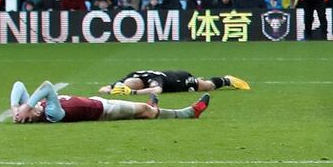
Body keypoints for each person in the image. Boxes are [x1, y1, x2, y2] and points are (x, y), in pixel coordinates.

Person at [11, 81, 209, 124]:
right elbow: (46, 86)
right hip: (103, 111)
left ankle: (153, 107)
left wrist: (15, 108)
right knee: (145, 110)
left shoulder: (37, 108)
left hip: (98, 102)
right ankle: (189, 113)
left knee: (145, 109)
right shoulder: (52, 114)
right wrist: (26, 106)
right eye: (23, 111)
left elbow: (19, 85)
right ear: (33, 113)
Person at [99, 71, 250, 95]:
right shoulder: (131, 76)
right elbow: (103, 88)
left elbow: (156, 90)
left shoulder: (152, 79)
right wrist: (110, 90)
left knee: (207, 87)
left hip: (180, 79)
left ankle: (227, 80)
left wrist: (133, 93)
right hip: (170, 76)